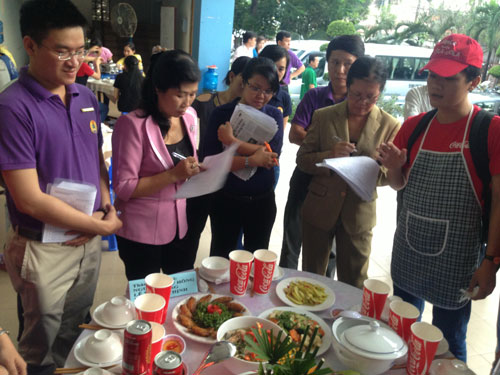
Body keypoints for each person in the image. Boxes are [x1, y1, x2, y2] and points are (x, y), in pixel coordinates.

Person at [0, 1, 122, 374]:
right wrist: (98, 227)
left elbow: (95, 160)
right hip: (43, 246)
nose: (75, 62)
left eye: (80, 50)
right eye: (62, 51)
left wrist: (106, 202)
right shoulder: (12, 107)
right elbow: (29, 198)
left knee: (77, 328)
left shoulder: (85, 96)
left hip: (86, 238)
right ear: (31, 46)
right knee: (38, 344)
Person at [377, 34, 500, 361]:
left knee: (448, 345)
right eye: (433, 74)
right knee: (401, 333)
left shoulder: (489, 130)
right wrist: (393, 168)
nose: (435, 84)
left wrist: (491, 262)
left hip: (458, 260)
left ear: (473, 81)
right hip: (410, 248)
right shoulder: (414, 127)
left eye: (448, 77)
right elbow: (399, 185)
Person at [297, 56, 400, 287]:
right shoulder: (324, 116)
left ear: (380, 93)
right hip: (320, 209)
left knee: (354, 282)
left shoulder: (390, 125)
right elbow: (303, 160)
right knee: (311, 279)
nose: (363, 102)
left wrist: (381, 166)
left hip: (358, 213)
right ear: (348, 87)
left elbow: (387, 176)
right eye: (356, 95)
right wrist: (329, 155)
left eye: (371, 97)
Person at [112, 50, 201, 281]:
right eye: (180, 95)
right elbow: (123, 187)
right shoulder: (132, 125)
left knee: (181, 296)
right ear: (158, 89)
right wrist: (173, 175)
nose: (187, 102)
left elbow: (187, 160)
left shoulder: (189, 117)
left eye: (193, 94)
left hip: (180, 226)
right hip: (140, 233)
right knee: (147, 301)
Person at [279, 35, 365, 273]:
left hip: (339, 185)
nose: (340, 70)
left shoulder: (361, 105)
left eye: (347, 63)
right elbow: (295, 134)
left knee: (330, 250)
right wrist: (330, 150)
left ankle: (322, 300)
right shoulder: (315, 96)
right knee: (291, 240)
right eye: (334, 62)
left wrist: (315, 142)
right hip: (306, 176)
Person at [204, 57, 282, 257]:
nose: (261, 96)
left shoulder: (274, 116)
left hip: (262, 200)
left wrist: (232, 142)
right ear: (243, 82)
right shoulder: (221, 114)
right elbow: (210, 162)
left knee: (257, 258)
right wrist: (252, 158)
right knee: (221, 258)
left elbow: (271, 157)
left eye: (268, 91)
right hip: (226, 199)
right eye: (255, 87)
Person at [183, 56, 251, 268]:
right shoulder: (204, 102)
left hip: (228, 183)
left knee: (223, 242)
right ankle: (185, 277)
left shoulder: (250, 113)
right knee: (191, 234)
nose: (248, 87)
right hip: (200, 179)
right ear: (232, 76)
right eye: (245, 80)